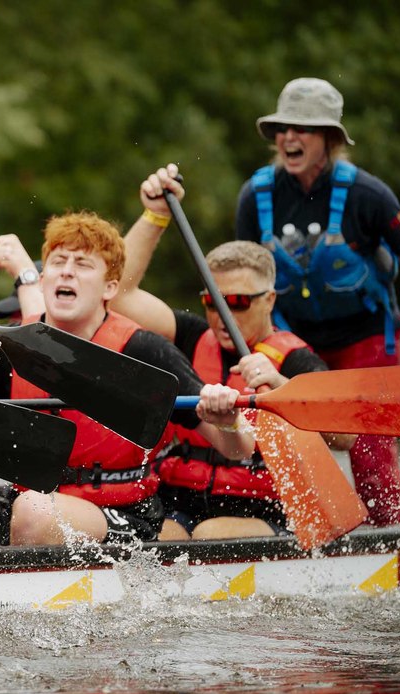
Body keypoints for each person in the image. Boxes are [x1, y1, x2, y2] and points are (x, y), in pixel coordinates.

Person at [0, 211, 255, 546]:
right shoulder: (6, 343)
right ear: (43, 277)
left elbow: (238, 449)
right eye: (59, 261)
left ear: (109, 288)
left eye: (82, 264)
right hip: (34, 498)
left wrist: (228, 421)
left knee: (35, 510)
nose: (67, 270)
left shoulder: (144, 350)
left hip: (123, 510)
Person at [114, 164, 355, 540]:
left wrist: (281, 387)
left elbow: (345, 438)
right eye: (213, 302)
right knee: (162, 538)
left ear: (269, 300)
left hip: (265, 507)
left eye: (239, 302)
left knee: (213, 534)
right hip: (182, 498)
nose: (222, 316)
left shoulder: (295, 360)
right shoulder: (191, 337)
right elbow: (120, 294)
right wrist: (155, 215)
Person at [235, 77, 400, 526]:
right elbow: (245, 273)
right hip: (294, 339)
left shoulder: (369, 195)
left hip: (367, 337)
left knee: (370, 446)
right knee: (288, 435)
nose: (289, 138)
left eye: (304, 128)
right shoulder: (256, 196)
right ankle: (299, 540)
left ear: (330, 138)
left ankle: (391, 550)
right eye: (282, 129)